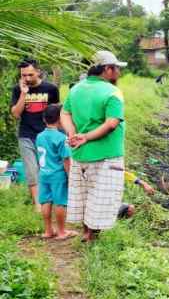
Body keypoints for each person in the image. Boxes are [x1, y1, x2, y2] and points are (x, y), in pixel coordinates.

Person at [60, 50, 127, 243]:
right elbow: (112, 123)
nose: (119, 73)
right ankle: (93, 238)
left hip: (79, 155)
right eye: (117, 69)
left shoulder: (76, 89)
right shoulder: (113, 92)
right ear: (107, 69)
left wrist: (72, 133)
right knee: (101, 197)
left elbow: (65, 114)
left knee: (84, 195)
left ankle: (86, 233)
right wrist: (87, 137)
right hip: (106, 155)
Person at [10, 59, 60, 207]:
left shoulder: (50, 88)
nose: (26, 78)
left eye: (30, 74)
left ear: (38, 72)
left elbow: (57, 111)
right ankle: (38, 206)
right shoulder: (17, 89)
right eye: (23, 75)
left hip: (46, 135)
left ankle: (51, 201)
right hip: (26, 134)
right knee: (32, 171)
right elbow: (16, 114)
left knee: (48, 169)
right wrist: (23, 94)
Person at [35, 104, 75, 240]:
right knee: (60, 202)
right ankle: (62, 232)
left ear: (44, 119)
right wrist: (70, 176)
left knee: (45, 201)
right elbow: (66, 159)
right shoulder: (61, 138)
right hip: (58, 176)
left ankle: (48, 231)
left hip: (43, 174)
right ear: (60, 119)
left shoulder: (39, 136)